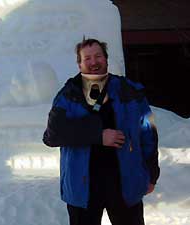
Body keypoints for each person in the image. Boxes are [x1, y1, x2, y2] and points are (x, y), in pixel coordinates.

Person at [42, 38, 160, 225]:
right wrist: (98, 135)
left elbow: (149, 133)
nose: (93, 62)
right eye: (87, 58)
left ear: (106, 59)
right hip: (83, 187)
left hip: (125, 184)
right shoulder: (68, 94)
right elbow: (52, 135)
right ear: (79, 63)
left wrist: (152, 174)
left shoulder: (129, 91)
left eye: (98, 56)